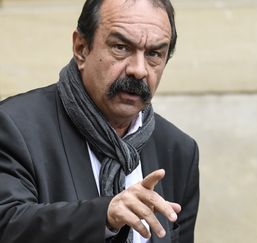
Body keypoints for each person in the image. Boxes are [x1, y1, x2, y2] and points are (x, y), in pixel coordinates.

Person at [0, 0, 199, 242]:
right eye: (121, 47)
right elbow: (8, 224)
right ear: (81, 48)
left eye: (154, 54)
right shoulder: (14, 125)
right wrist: (104, 217)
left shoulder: (179, 151)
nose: (139, 70)